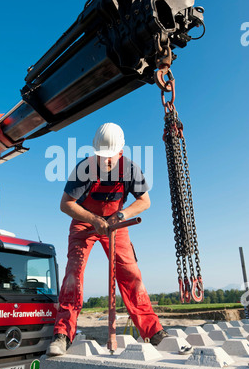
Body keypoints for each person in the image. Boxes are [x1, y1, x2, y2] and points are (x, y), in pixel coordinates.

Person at [47, 123, 168, 356]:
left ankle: (154, 332)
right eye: (101, 156)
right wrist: (94, 219)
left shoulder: (131, 169)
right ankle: (62, 334)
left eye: (109, 156)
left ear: (120, 151)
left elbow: (145, 201)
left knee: (130, 273)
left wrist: (119, 216)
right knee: (74, 274)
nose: (105, 161)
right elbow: (66, 204)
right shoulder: (85, 168)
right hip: (84, 222)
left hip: (116, 223)